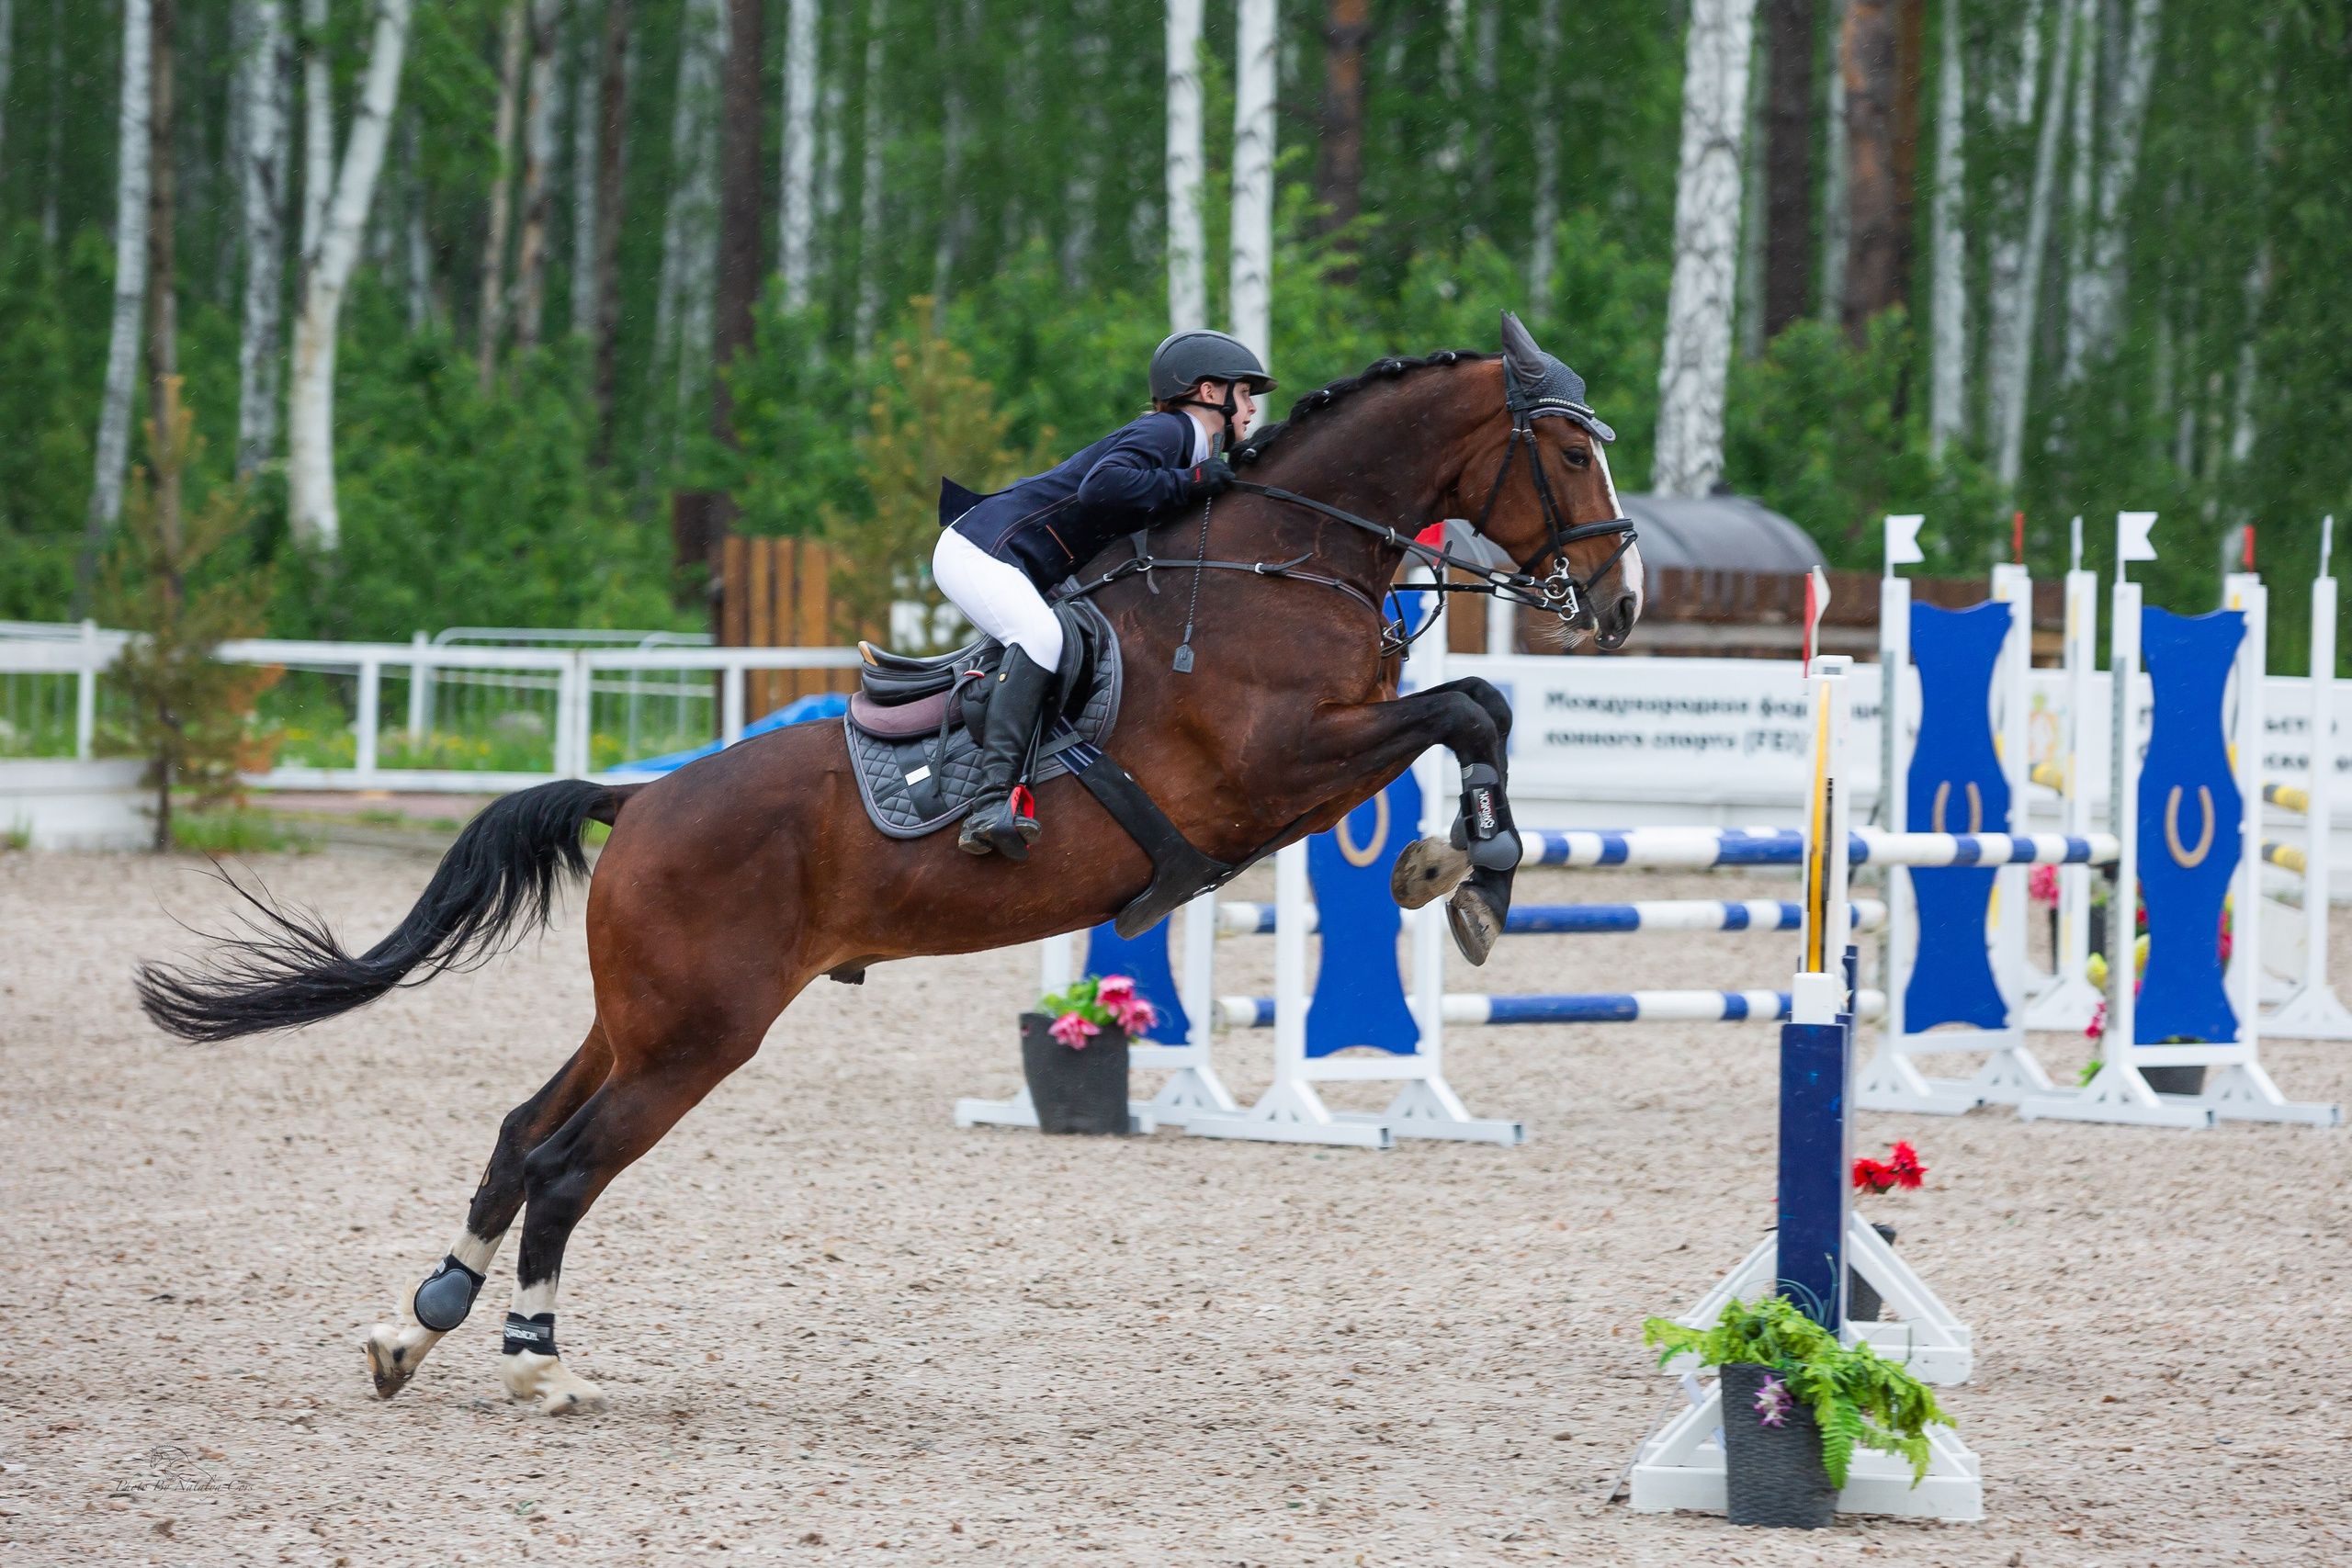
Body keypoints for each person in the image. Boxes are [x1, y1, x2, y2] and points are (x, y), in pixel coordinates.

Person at [933, 329, 1276, 860]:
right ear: (1210, 393)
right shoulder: (1172, 430)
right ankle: (991, 800)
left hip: (1009, 558)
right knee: (1041, 638)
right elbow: (1102, 487)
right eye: (1246, 393)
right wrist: (1190, 483)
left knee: (1052, 640)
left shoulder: (1187, 442)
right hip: (979, 550)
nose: (1252, 409)